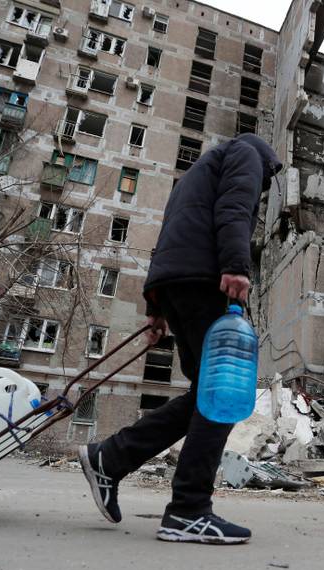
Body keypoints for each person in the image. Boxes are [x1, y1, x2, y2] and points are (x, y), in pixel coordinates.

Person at [79, 133, 282, 544]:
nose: (264, 184)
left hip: (177, 286)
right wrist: (236, 264)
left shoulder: (196, 173)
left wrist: (156, 307)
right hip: (206, 282)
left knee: (204, 396)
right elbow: (235, 208)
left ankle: (110, 457)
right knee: (222, 395)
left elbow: (170, 237)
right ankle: (188, 510)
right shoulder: (247, 154)